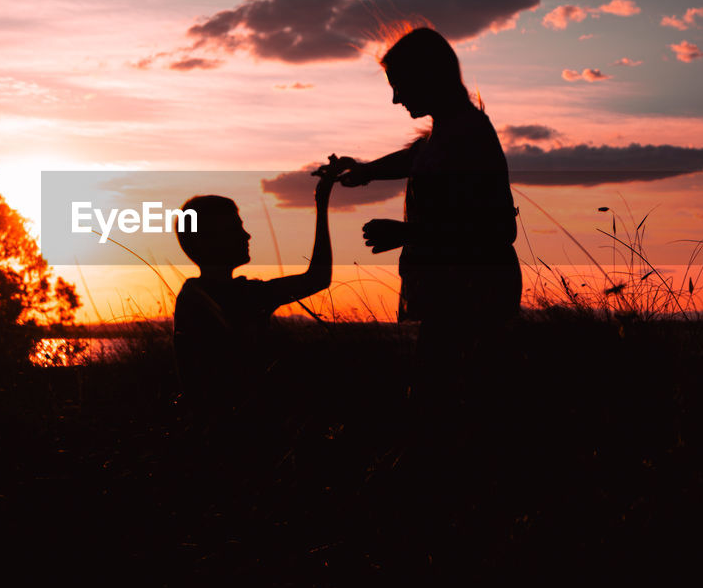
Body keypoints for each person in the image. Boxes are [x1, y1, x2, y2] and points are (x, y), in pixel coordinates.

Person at [335, 26, 521, 363]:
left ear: (428, 76)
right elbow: (414, 157)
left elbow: (498, 229)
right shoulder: (450, 131)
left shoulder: (469, 133)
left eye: (399, 86)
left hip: (474, 299)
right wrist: (365, 171)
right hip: (456, 297)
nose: (395, 99)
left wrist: (405, 232)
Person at [173, 158, 340, 416]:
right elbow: (318, 278)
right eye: (235, 228)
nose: (246, 235)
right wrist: (322, 202)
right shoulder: (244, 296)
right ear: (209, 242)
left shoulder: (193, 295)